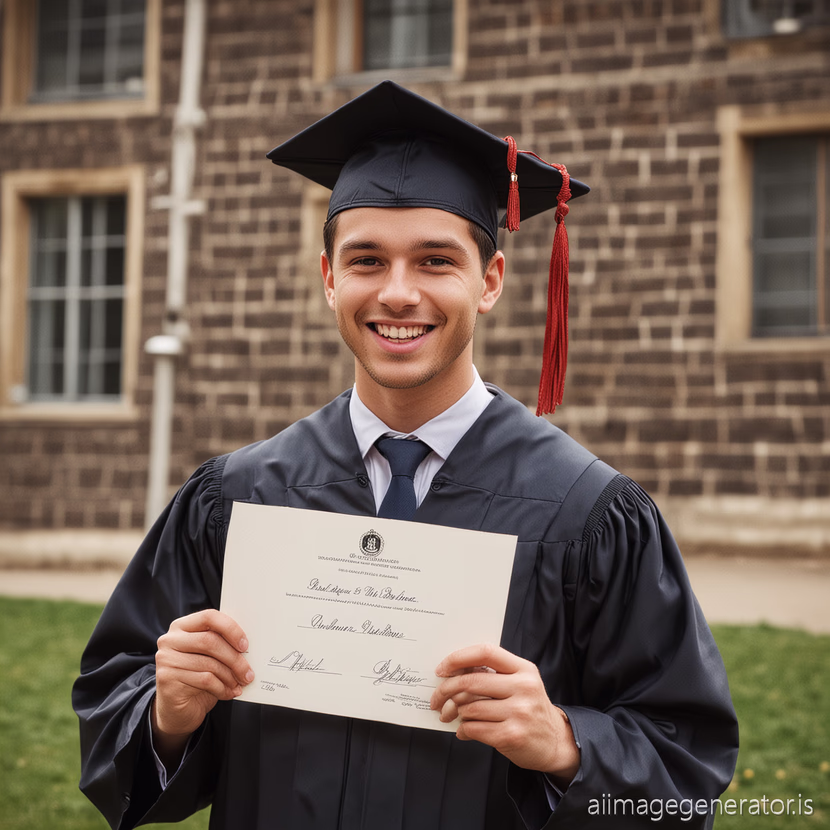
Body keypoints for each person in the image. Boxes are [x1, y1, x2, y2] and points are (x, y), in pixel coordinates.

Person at [73, 81, 738, 830]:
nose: (396, 293)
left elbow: (685, 772)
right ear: (329, 279)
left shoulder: (588, 514)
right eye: (365, 260)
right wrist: (168, 716)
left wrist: (566, 744)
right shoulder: (237, 498)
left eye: (433, 261)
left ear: (488, 282)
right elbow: (113, 717)